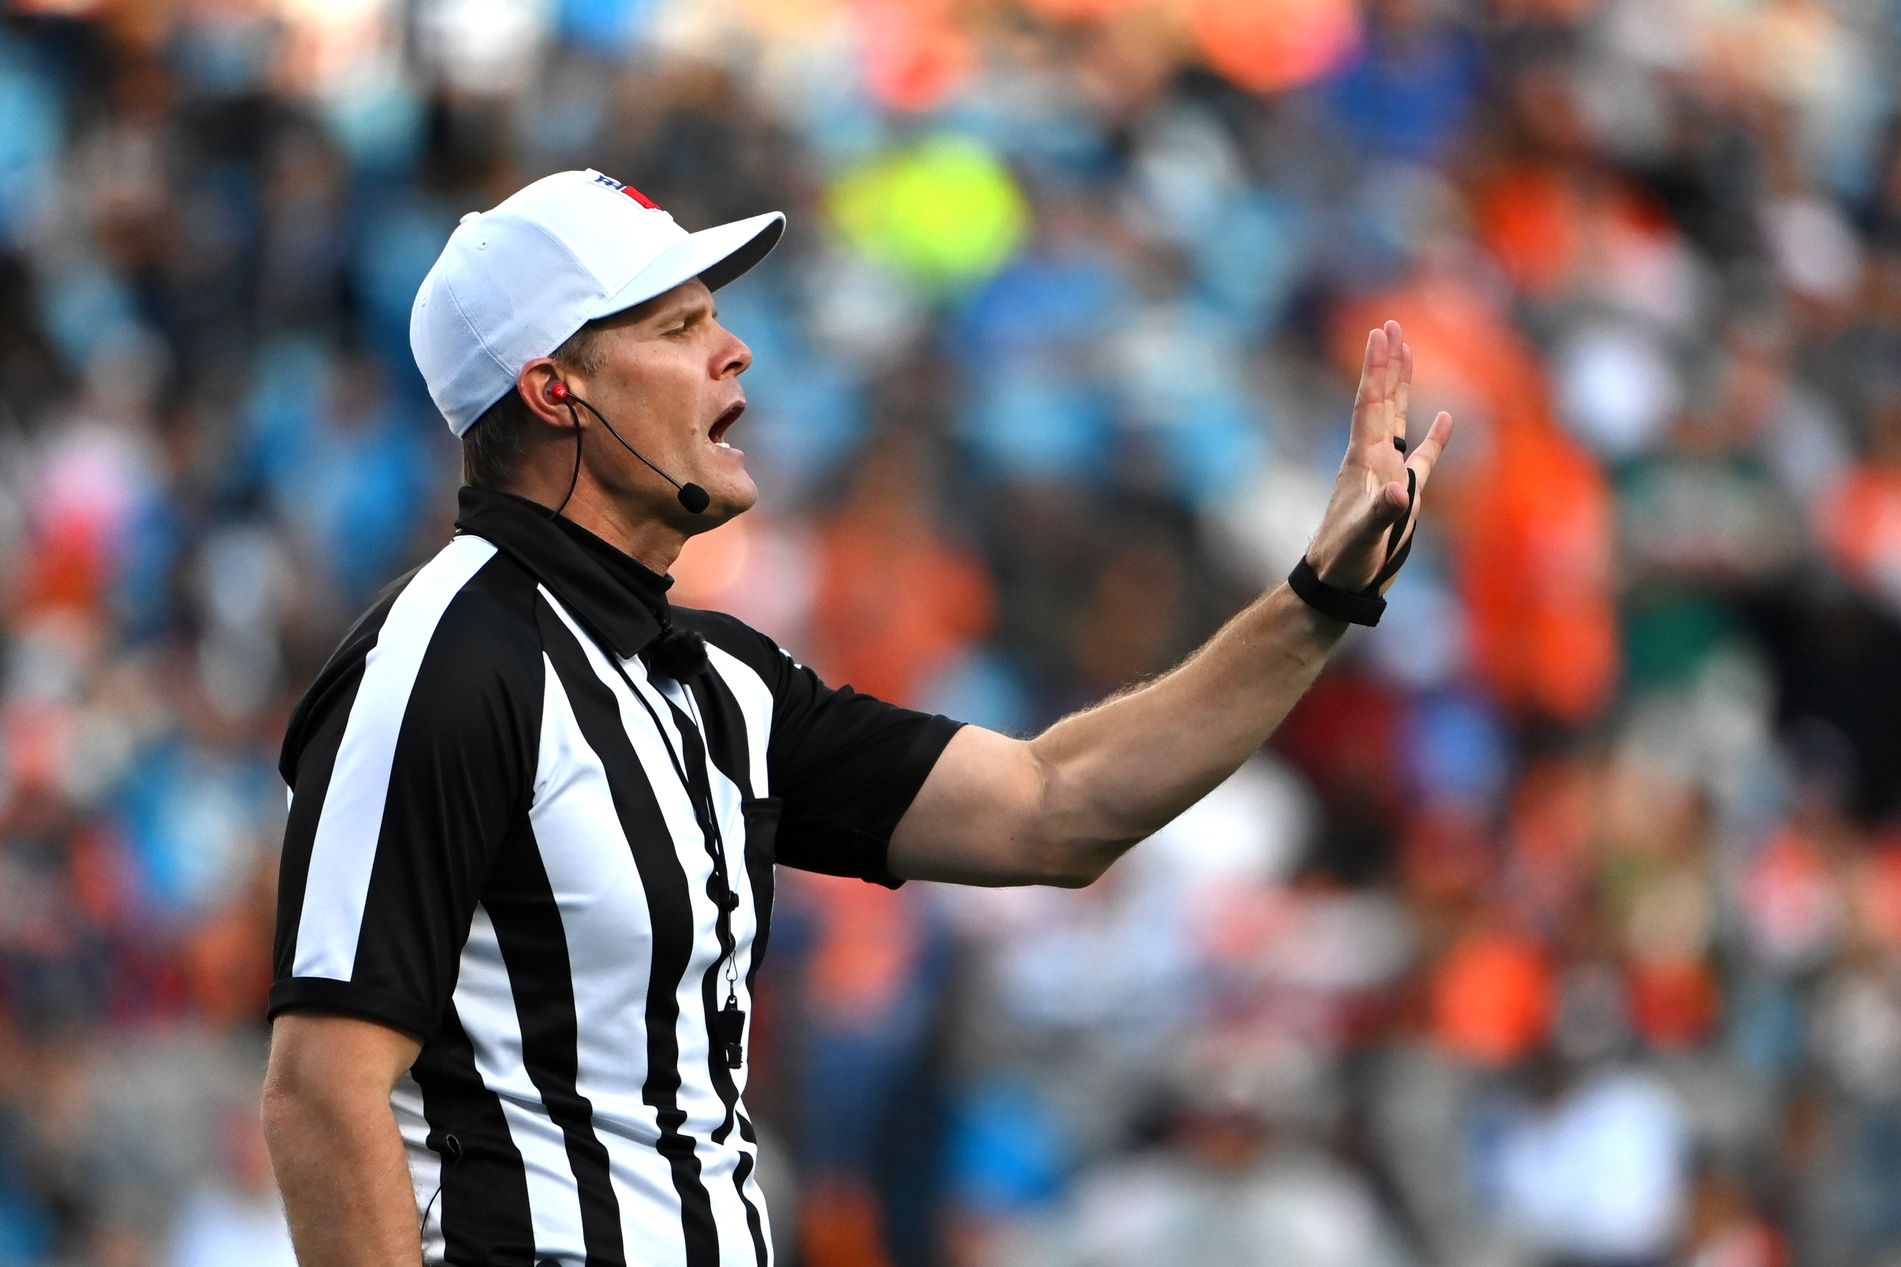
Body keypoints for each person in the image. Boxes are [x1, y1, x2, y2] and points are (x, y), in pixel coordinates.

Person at [258, 168, 1452, 1267]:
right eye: (678, 327)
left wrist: (1319, 598)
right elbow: (323, 1088)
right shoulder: (449, 659)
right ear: (553, 389)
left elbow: (1052, 806)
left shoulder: (714, 679)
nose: (733, 351)